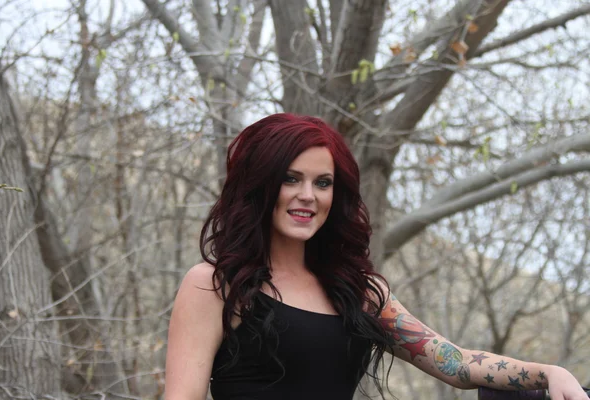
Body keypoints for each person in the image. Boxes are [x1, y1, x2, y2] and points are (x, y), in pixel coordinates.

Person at [164, 113, 587, 400]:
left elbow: (453, 363)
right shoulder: (215, 286)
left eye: (323, 182)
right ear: (260, 185)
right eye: (291, 179)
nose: (307, 196)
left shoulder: (360, 292)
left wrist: (547, 373)